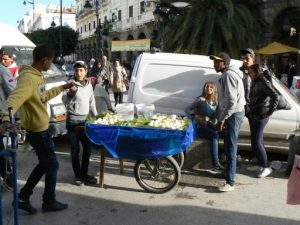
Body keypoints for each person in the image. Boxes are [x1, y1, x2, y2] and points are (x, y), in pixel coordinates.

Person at [0, 43, 73, 214]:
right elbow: (13, 100)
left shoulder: (36, 75)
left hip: (42, 129)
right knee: (52, 165)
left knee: (45, 164)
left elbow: (42, 97)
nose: (50, 64)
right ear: (45, 60)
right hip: (37, 131)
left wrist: (62, 87)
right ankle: (48, 201)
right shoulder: (28, 79)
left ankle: (23, 197)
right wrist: (5, 119)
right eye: (51, 61)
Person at [209, 52, 245, 192]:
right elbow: (226, 101)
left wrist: (221, 120)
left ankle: (230, 182)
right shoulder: (228, 74)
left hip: (234, 114)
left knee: (231, 147)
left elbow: (231, 102)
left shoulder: (229, 75)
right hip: (234, 112)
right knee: (229, 145)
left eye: (217, 62)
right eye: (215, 62)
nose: (214, 64)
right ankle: (227, 173)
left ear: (225, 63)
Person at [62, 60, 98, 186]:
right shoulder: (70, 84)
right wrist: (70, 93)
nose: (78, 72)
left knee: (87, 149)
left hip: (85, 122)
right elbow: (64, 100)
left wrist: (96, 117)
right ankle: (78, 176)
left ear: (86, 71)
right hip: (72, 122)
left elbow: (92, 102)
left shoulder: (88, 85)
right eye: (76, 70)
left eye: (81, 70)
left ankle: (84, 174)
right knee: (75, 150)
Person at [247, 64, 279, 178]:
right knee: (256, 140)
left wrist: (270, 111)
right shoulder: (256, 81)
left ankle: (266, 167)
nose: (249, 74)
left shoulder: (263, 82)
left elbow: (276, 96)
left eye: (250, 72)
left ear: (256, 72)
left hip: (261, 116)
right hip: (254, 114)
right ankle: (260, 164)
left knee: (257, 141)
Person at [185, 81, 223, 173]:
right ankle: (216, 164)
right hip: (200, 127)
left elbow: (216, 117)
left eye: (211, 87)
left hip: (210, 126)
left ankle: (224, 158)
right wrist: (196, 116)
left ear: (214, 90)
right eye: (207, 87)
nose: (208, 89)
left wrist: (217, 123)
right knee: (214, 136)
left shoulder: (216, 103)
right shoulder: (201, 100)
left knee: (225, 134)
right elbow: (187, 109)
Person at [0, 63, 16, 190]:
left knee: (1, 149)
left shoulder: (2, 70)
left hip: (1, 114)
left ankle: (8, 180)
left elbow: (13, 91)